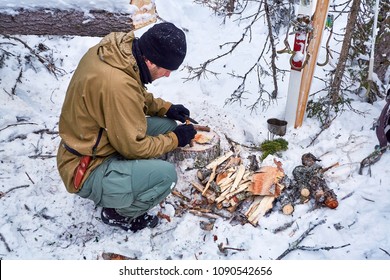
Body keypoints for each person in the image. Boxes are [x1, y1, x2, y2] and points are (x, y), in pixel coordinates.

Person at [56, 22, 197, 232]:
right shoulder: (117, 85)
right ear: (150, 61)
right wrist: (176, 139)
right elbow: (134, 147)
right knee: (167, 177)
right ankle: (118, 213)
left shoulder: (120, 53)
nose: (168, 75)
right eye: (167, 70)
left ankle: (130, 177)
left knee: (167, 125)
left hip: (97, 139)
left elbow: (133, 93)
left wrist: (166, 108)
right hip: (86, 165)